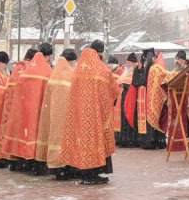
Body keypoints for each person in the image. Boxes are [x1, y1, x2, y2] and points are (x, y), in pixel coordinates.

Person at [59, 41, 120, 185]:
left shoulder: (79, 68)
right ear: (100, 52)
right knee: (94, 141)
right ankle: (93, 173)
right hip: (95, 115)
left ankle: (82, 172)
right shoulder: (101, 69)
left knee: (81, 140)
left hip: (78, 113)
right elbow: (113, 90)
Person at [0, 46, 52, 170]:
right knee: (34, 133)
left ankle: (18, 160)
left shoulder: (23, 70)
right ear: (48, 56)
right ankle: (33, 163)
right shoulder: (45, 70)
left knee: (21, 134)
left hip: (18, 108)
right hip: (36, 108)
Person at [35, 48, 76, 176]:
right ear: (71, 61)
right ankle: (63, 166)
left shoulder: (55, 72)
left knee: (54, 135)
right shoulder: (68, 73)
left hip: (53, 111)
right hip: (65, 113)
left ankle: (55, 166)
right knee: (63, 137)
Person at [142, 50, 169, 150]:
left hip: (150, 98)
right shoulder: (157, 68)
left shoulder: (149, 68)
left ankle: (150, 141)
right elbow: (166, 76)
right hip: (157, 97)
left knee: (152, 120)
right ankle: (158, 141)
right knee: (158, 120)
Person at [114, 52, 138, 147]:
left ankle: (130, 140)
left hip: (131, 98)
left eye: (128, 63)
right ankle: (124, 139)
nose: (127, 65)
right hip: (123, 98)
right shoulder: (126, 71)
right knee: (124, 118)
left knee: (129, 117)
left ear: (132, 63)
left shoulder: (135, 71)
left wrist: (122, 83)